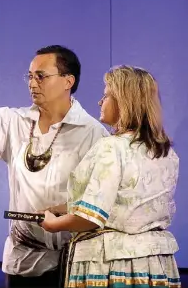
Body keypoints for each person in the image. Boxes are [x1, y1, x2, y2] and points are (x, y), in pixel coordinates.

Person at [0, 36, 109, 287]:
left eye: (41, 76)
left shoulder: (93, 133)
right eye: (29, 76)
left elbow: (101, 201)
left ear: (68, 81)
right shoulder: (13, 122)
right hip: (23, 261)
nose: (32, 83)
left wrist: (63, 211)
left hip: (74, 263)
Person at [41, 65, 181, 288]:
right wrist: (65, 207)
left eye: (106, 95)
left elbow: (90, 218)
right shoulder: (166, 152)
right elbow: (129, 202)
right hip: (156, 265)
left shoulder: (111, 147)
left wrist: (53, 224)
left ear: (124, 101)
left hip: (112, 266)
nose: (100, 102)